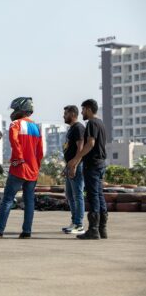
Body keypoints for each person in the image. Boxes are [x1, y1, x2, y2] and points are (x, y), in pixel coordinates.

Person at [0, 97, 43, 239]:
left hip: (19, 168)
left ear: (20, 109)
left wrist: (18, 159)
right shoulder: (36, 127)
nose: (12, 112)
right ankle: (26, 231)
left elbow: (14, 142)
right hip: (33, 170)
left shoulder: (15, 125)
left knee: (8, 199)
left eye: (14, 109)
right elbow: (40, 152)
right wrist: (36, 167)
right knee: (29, 201)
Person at [68, 99, 108, 240]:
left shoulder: (91, 123)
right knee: (99, 195)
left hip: (92, 164)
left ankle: (93, 230)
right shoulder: (101, 123)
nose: (82, 112)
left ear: (89, 109)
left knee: (93, 196)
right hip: (101, 163)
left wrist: (76, 159)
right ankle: (102, 229)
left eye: (83, 109)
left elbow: (90, 144)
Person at [61, 105, 85, 234]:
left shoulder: (79, 128)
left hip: (77, 166)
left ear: (72, 114)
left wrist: (75, 165)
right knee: (70, 195)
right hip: (70, 165)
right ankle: (74, 221)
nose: (63, 116)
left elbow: (80, 149)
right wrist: (67, 167)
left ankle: (79, 225)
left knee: (77, 195)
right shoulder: (72, 129)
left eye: (65, 114)